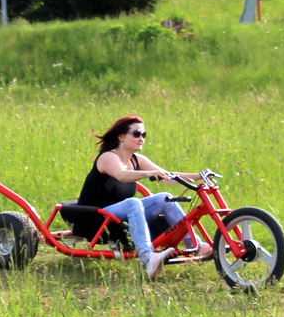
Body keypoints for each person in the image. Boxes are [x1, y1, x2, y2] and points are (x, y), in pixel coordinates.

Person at [79, 115, 201, 278]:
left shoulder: (137, 160)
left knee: (165, 197)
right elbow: (121, 175)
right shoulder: (108, 157)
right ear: (121, 136)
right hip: (94, 216)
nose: (141, 138)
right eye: (136, 134)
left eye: (144, 135)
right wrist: (147, 173)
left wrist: (200, 176)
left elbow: (169, 176)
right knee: (133, 203)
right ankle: (148, 258)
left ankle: (195, 245)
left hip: (117, 214)